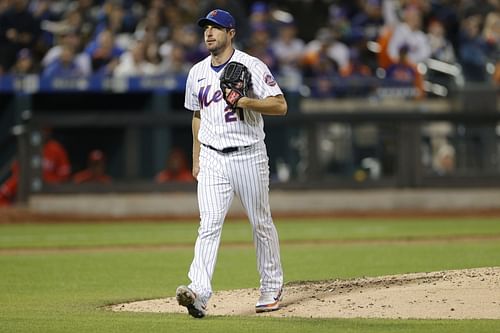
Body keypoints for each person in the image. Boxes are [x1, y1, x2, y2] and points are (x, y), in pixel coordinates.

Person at [175, 9, 287, 318]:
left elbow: (280, 105)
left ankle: (271, 286)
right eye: (206, 28)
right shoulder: (196, 72)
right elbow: (197, 115)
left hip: (248, 154)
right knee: (208, 225)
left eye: (216, 28)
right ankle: (197, 292)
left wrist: (245, 101)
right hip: (212, 157)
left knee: (261, 223)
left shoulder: (251, 65)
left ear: (231, 33)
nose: (209, 33)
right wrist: (197, 156)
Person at [0, 129, 71, 206]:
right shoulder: (27, 148)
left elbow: (64, 175)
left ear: (49, 131)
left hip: (50, 188)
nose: (43, 132)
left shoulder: (56, 148)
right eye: (40, 130)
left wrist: (55, 186)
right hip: (28, 185)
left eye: (45, 130)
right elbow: (16, 172)